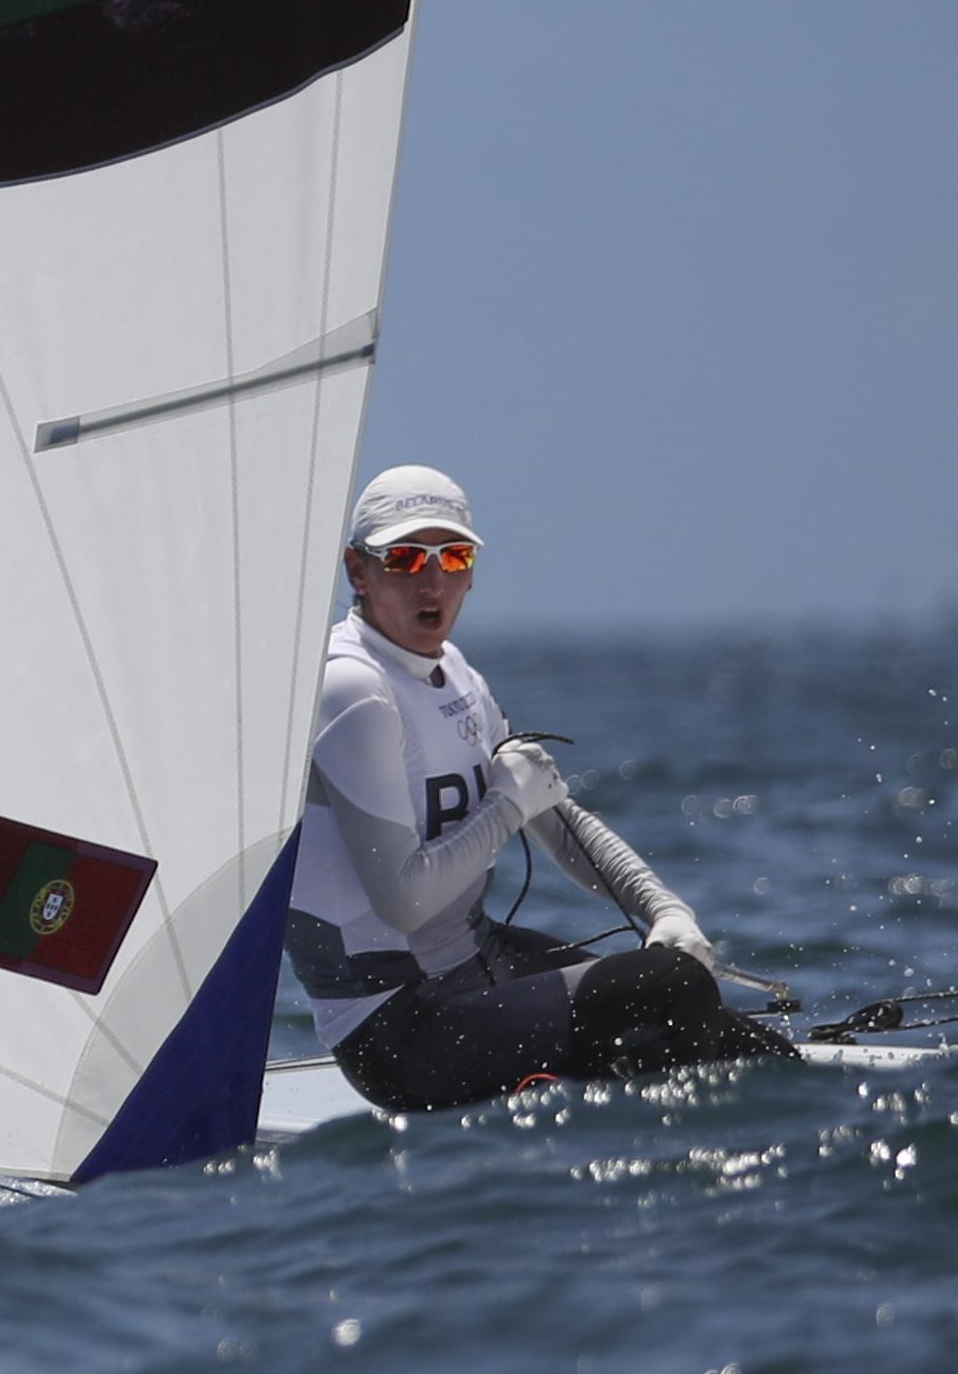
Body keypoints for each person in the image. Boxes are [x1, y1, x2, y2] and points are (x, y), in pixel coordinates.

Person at [286, 464, 791, 1113]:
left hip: (474, 968)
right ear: (359, 570)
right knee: (666, 988)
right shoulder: (351, 688)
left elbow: (552, 812)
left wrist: (666, 911)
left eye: (455, 555)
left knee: (726, 1026)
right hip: (399, 1031)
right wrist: (504, 807)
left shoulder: (456, 671)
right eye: (407, 558)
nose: (434, 580)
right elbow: (404, 899)